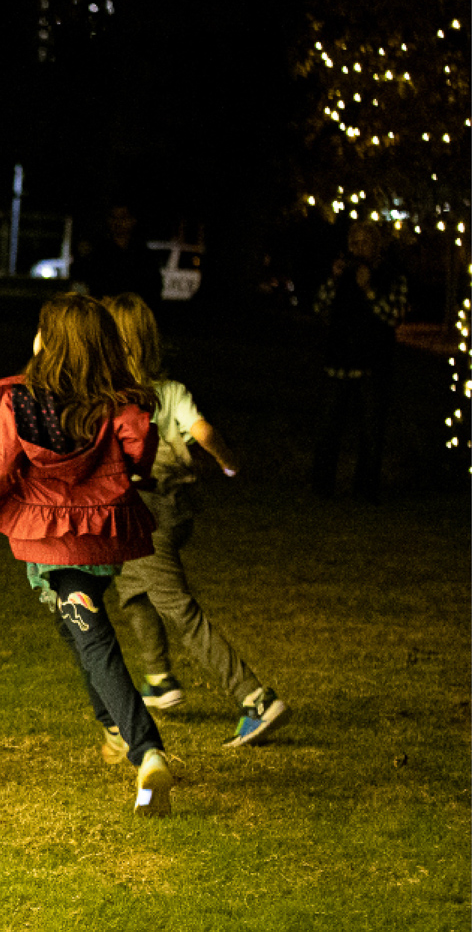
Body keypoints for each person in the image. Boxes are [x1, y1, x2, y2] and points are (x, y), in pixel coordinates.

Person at [0, 293, 178, 817]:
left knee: (90, 633)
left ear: (51, 342)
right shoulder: (120, 403)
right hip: (104, 530)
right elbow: (139, 456)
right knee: (78, 626)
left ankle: (146, 750)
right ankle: (113, 728)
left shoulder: (16, 399)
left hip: (51, 531)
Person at [102, 293, 293, 748]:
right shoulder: (171, 391)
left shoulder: (117, 400)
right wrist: (228, 462)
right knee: (132, 589)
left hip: (144, 512)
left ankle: (255, 698)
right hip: (175, 507)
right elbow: (203, 431)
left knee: (177, 607)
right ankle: (159, 679)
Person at [310, 219, 407, 502]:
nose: (358, 248)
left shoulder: (392, 275)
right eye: (354, 242)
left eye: (364, 242)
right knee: (328, 428)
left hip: (372, 364)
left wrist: (369, 290)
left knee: (371, 431)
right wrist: (334, 280)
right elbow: (319, 307)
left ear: (376, 245)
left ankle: (365, 489)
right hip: (338, 361)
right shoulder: (344, 273)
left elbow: (392, 317)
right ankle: (321, 486)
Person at [70, 203, 165, 305]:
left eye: (123, 217)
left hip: (134, 313)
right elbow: (82, 280)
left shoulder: (143, 255)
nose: (118, 222)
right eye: (113, 217)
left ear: (133, 220)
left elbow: (153, 288)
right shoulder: (98, 253)